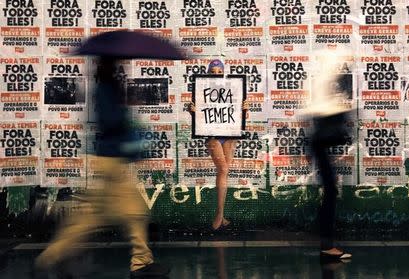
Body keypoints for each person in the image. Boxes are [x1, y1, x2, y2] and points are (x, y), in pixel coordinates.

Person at [34, 57, 170, 278]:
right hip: (113, 162)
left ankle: (50, 257)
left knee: (96, 217)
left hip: (110, 160)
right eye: (119, 64)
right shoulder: (107, 90)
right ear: (110, 67)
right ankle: (141, 263)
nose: (122, 67)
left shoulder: (107, 89)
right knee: (134, 213)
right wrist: (127, 113)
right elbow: (113, 122)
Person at [188, 59, 249, 230]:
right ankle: (219, 215)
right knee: (222, 170)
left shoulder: (233, 89)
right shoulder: (202, 91)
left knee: (225, 172)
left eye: (218, 71)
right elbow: (200, 121)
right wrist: (193, 111)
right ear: (208, 73)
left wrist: (245, 109)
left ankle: (222, 216)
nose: (216, 74)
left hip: (229, 134)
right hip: (213, 135)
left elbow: (242, 118)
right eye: (212, 71)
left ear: (223, 72)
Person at [305, 50, 353, 261]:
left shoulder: (323, 85)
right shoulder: (325, 82)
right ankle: (326, 244)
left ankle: (325, 238)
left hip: (319, 143)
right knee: (331, 192)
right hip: (319, 142)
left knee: (331, 191)